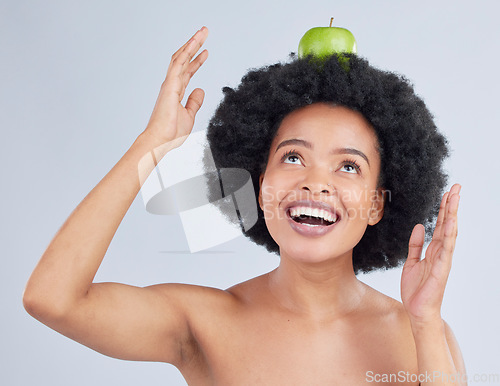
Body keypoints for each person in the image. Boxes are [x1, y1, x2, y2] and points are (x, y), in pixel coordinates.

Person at [23, 27, 466, 385]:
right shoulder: (203, 324)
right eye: (293, 157)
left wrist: (425, 322)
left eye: (348, 166)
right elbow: (53, 300)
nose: (315, 182)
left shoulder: (422, 335)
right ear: (260, 186)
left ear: (376, 204)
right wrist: (151, 145)